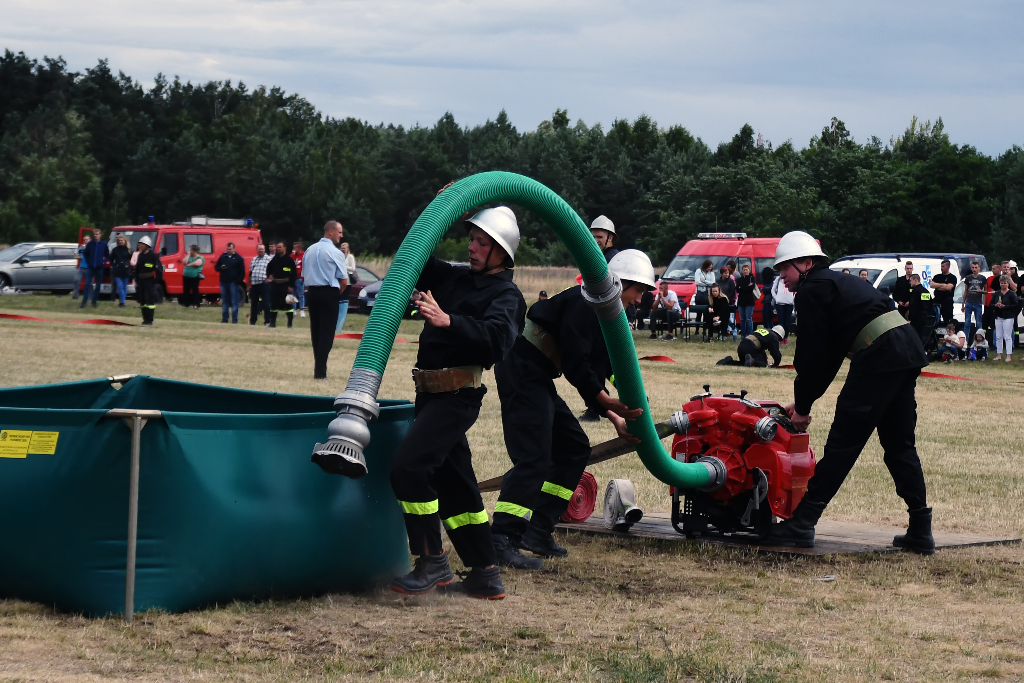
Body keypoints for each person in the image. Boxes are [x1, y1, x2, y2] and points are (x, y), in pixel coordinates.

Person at [388, 206, 524, 600]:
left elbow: (498, 338)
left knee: (408, 468)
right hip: (428, 395)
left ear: (503, 252)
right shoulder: (456, 277)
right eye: (472, 238)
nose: (473, 247)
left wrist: (449, 321)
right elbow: (413, 251)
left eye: (483, 242)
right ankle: (484, 573)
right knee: (458, 489)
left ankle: (432, 563)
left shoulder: (507, 295)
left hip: (457, 397)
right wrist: (438, 210)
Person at [766, 231, 932, 554]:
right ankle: (920, 529)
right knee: (900, 445)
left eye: (784, 267)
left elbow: (814, 357)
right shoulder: (835, 284)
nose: (781, 276)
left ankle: (802, 523)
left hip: (880, 354)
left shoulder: (812, 289)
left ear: (806, 263)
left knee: (844, 442)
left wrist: (801, 408)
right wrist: (803, 402)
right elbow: (827, 359)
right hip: (904, 350)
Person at [491, 250, 652, 569]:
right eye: (639, 291)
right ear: (621, 283)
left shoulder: (606, 318)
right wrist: (605, 402)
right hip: (521, 367)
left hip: (537, 374)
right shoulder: (585, 304)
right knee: (534, 457)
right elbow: (577, 365)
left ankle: (537, 530)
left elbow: (599, 368)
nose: (639, 300)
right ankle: (502, 538)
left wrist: (617, 415)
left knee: (574, 447)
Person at [303, 221, 349, 379]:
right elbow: (344, 281)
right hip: (329, 292)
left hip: (312, 292)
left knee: (315, 331)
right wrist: (337, 294)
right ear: (331, 232)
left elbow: (304, 275)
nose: (341, 236)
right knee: (327, 333)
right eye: (340, 232)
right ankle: (320, 372)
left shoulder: (309, 250)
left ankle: (318, 367)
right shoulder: (335, 252)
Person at [717, 325, 785, 367]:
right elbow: (776, 353)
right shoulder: (773, 337)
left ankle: (728, 362)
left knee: (744, 364)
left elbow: (761, 348)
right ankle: (753, 361)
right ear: (779, 335)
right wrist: (776, 364)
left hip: (742, 346)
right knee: (762, 364)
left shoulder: (765, 331)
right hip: (751, 347)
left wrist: (766, 358)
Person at [265, 242, 297, 328]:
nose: (278, 249)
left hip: (286, 285)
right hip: (275, 285)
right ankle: (272, 323)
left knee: (288, 304)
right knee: (273, 304)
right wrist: (269, 276)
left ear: (285, 248)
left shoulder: (289, 260)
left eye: (280, 247)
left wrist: (291, 286)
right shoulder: (275, 259)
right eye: (277, 247)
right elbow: (269, 268)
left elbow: (294, 274)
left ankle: (289, 323)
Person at [133, 236, 162, 326]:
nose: (140, 246)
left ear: (146, 245)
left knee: (149, 301)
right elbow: (137, 269)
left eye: (141, 245)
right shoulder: (140, 255)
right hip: (141, 281)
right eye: (139, 245)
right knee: (143, 301)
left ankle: (149, 320)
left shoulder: (153, 256)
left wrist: (155, 281)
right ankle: (145, 319)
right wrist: (136, 280)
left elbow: (159, 270)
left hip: (149, 281)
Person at [215, 242, 245, 324]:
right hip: (224, 282)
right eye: (227, 249)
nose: (228, 250)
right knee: (225, 301)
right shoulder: (223, 257)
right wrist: (221, 268)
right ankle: (225, 319)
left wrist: (237, 281)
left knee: (234, 302)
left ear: (234, 249)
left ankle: (235, 320)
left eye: (230, 249)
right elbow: (216, 267)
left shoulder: (239, 258)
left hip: (233, 283)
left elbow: (242, 272)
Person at [991, 275, 1018, 363]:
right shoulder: (997, 293)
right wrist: (996, 305)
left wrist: (1005, 306)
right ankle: (999, 354)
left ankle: (1008, 355)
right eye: (1002, 283)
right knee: (998, 336)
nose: (1003, 285)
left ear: (1008, 284)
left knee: (1007, 336)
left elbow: (1015, 305)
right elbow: (990, 304)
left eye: (1005, 283)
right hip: (998, 317)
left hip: (1008, 317)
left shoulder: (1011, 293)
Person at [80, 228, 109, 309]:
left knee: (98, 285)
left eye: (97, 234)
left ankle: (94, 301)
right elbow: (85, 253)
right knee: (87, 284)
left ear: (100, 235)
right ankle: (84, 301)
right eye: (94, 234)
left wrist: (103, 262)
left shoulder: (103, 244)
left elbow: (107, 255)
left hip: (99, 267)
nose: (95, 236)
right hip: (91, 267)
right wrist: (88, 261)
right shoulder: (90, 244)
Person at [961, 260, 987, 340]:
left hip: (978, 303)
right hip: (969, 302)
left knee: (979, 323)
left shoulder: (982, 278)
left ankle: (979, 340)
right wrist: (963, 303)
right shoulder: (968, 278)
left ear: (979, 268)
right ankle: (965, 340)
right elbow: (966, 290)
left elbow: (986, 291)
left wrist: (981, 292)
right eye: (973, 267)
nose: (974, 269)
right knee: (967, 323)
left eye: (976, 267)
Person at [248, 244, 272, 325]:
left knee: (266, 304)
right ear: (257, 250)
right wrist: (248, 285)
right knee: (254, 304)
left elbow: (274, 271)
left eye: (262, 249)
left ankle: (268, 321)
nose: (261, 250)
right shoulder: (254, 259)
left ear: (264, 250)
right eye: (259, 249)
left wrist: (269, 279)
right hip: (254, 284)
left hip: (264, 284)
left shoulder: (269, 259)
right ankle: (252, 321)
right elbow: (250, 273)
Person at [906, 274, 933, 343]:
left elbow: (913, 306)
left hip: (916, 317)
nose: (910, 283)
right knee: (921, 335)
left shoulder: (915, 291)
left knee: (913, 336)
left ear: (915, 280)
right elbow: (930, 304)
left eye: (911, 281)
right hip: (924, 316)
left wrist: (910, 319)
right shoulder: (926, 291)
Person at [930, 259, 957, 326]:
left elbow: (948, 288)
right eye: (941, 266)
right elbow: (931, 285)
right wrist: (943, 285)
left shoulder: (952, 277)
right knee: (934, 318)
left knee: (947, 320)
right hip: (937, 300)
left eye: (943, 266)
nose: (941, 268)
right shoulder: (937, 276)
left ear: (948, 267)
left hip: (947, 301)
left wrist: (937, 286)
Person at [109, 234, 133, 307]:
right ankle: (122, 302)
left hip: (126, 270)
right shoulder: (115, 250)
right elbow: (111, 259)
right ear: (117, 241)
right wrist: (114, 265)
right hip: (117, 270)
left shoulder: (128, 250)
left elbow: (132, 259)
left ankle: (123, 301)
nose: (121, 242)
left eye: (122, 240)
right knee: (120, 286)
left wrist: (128, 265)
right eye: (119, 240)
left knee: (124, 287)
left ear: (124, 241)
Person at [771, 273, 795, 342]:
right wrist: (776, 298)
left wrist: (793, 298)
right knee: (781, 322)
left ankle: (786, 337)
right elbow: (773, 290)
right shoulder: (778, 279)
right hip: (780, 304)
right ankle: (781, 338)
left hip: (789, 303)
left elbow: (796, 289)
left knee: (787, 322)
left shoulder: (791, 278)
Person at [336, 242, 354, 332]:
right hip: (339, 281)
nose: (343, 249)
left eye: (345, 248)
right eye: (342, 247)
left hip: (348, 282)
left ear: (348, 249)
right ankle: (336, 325)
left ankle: (340, 326)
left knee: (344, 300)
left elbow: (353, 268)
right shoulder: (338, 256)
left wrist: (344, 267)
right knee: (338, 299)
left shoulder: (350, 257)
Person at [180, 244, 204, 309]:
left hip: (195, 276)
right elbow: (184, 262)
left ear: (195, 251)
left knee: (195, 290)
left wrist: (188, 265)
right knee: (186, 290)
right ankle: (186, 304)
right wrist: (188, 255)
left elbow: (196, 264)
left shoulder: (200, 258)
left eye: (191, 250)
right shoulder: (189, 256)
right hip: (186, 275)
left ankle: (196, 304)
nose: (190, 251)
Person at [735, 263, 757, 337]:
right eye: (744, 270)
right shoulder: (739, 279)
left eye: (746, 270)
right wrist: (745, 287)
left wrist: (742, 288)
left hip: (749, 302)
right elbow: (737, 289)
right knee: (742, 319)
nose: (745, 271)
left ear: (749, 270)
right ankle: (743, 335)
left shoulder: (752, 278)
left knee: (749, 318)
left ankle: (749, 335)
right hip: (741, 302)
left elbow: (751, 288)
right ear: (742, 271)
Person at [694, 259, 716, 332]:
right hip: (700, 294)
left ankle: (704, 330)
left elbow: (713, 283)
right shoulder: (698, 271)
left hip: (708, 295)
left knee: (706, 313)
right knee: (699, 313)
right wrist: (707, 284)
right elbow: (697, 282)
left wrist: (704, 281)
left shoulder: (711, 273)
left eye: (710, 267)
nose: (709, 269)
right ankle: (697, 329)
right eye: (708, 267)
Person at [72, 234, 90, 300]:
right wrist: (78, 257)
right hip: (81, 267)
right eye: (84, 240)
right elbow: (77, 255)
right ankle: (75, 295)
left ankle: (89, 296)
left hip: (89, 268)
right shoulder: (81, 248)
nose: (85, 241)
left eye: (87, 239)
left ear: (90, 240)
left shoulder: (92, 247)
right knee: (76, 280)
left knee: (89, 283)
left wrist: (85, 249)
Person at [291, 242, 305, 318]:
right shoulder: (292, 256)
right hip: (293, 278)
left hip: (300, 278)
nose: (294, 249)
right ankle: (294, 309)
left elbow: (305, 267)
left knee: (301, 295)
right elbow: (290, 263)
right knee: (293, 295)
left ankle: (302, 310)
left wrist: (303, 278)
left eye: (295, 248)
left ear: (299, 248)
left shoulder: (303, 255)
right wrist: (293, 255)